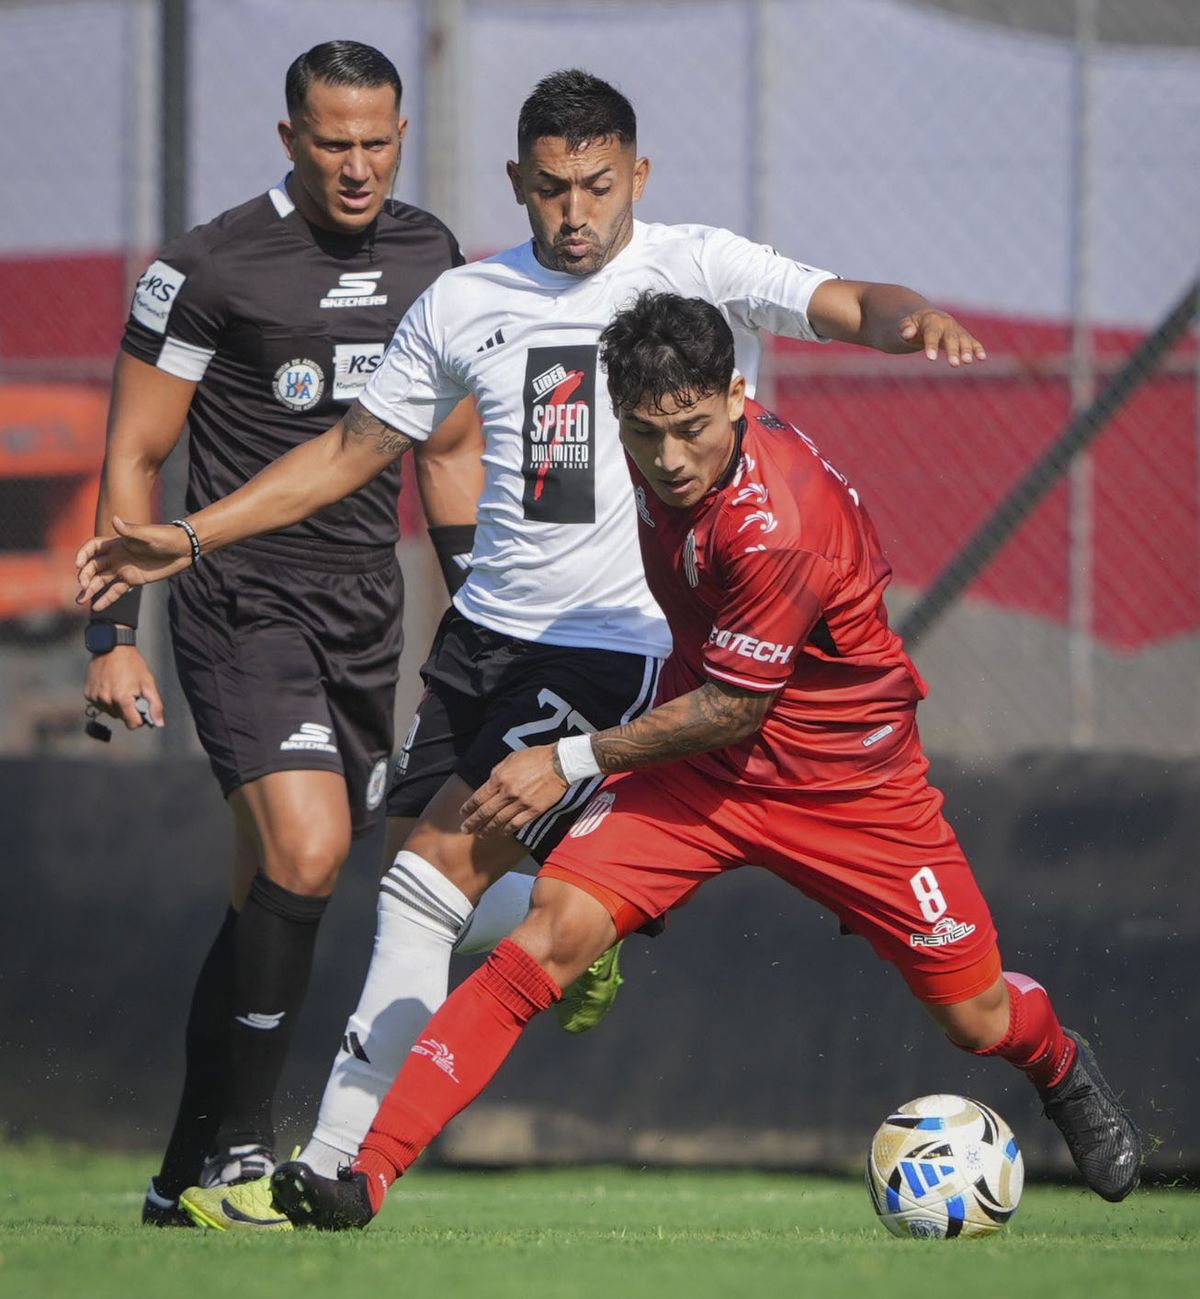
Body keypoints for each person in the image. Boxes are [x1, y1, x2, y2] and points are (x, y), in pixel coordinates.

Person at [76, 69, 992, 1230]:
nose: (576, 212)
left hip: (609, 647)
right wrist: (193, 538)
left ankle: (335, 1165)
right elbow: (356, 446)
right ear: (517, 183)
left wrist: (915, 322)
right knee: (423, 881)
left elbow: (846, 299)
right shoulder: (463, 300)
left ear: (637, 179)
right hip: (481, 644)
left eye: (597, 186)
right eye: (551, 188)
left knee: (420, 887)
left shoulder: (691, 265)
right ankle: (559, 919)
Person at [259, 292, 1142, 1230]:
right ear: (620, 415)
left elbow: (734, 707)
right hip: (703, 777)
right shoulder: (651, 442)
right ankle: (365, 1177)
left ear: (735, 393)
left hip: (850, 789)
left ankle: (1060, 1064)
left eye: (690, 430)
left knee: (975, 1020)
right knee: (547, 937)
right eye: (646, 435)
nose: (671, 459)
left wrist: (568, 759)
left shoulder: (779, 523)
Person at [82, 40, 489, 1228]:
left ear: (401, 135)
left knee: (274, 885)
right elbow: (136, 455)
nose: (357, 166)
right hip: (238, 595)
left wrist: (468, 601)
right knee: (309, 853)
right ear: (287, 140)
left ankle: (178, 1175)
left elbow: (451, 449)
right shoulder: (208, 268)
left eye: (377, 141)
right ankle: (244, 1158)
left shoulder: (430, 255)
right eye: (332, 142)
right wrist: (113, 630)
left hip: (368, 605)